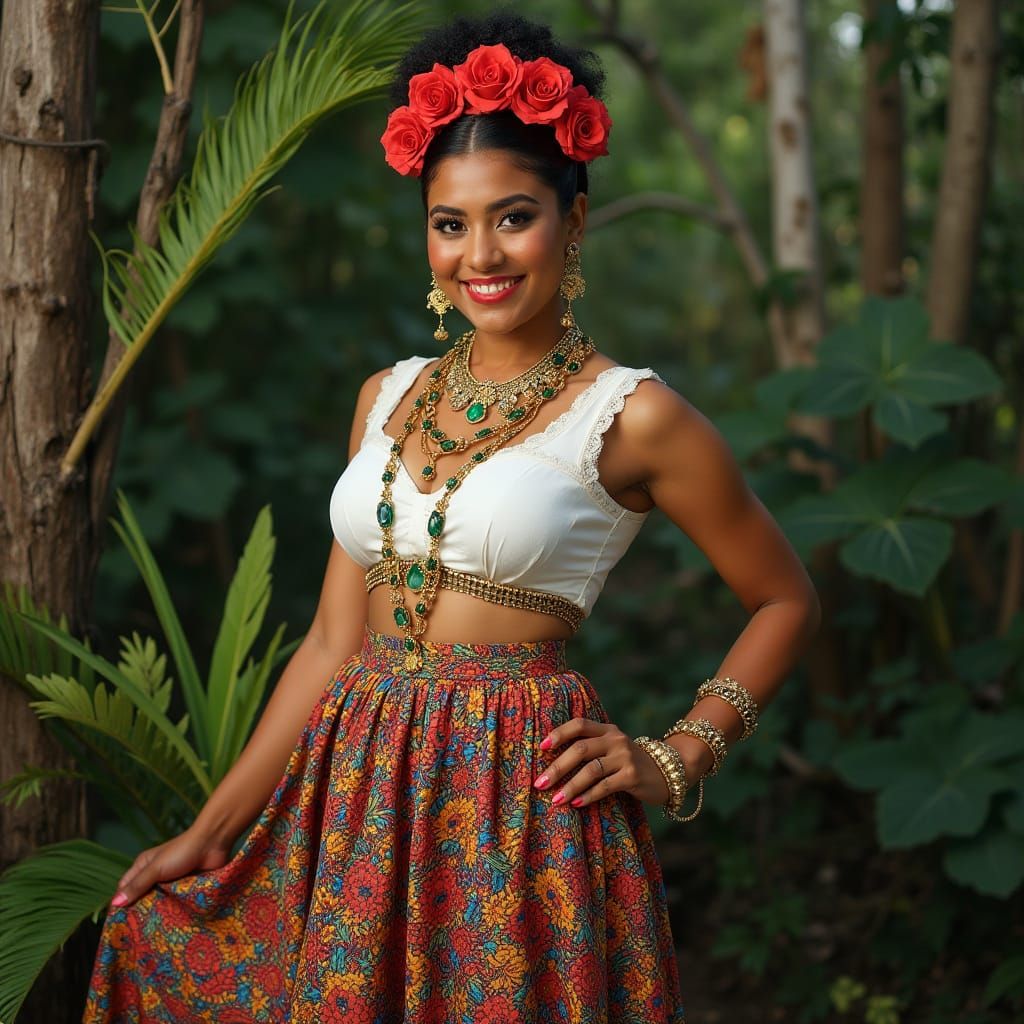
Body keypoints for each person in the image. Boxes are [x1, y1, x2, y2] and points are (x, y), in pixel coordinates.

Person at [83, 10, 820, 1023]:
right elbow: (333, 640)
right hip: (353, 800)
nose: (480, 252)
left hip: (518, 812)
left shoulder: (633, 415)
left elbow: (783, 597)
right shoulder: (387, 396)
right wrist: (211, 829)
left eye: (513, 216)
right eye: (449, 222)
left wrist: (677, 751)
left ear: (574, 217)